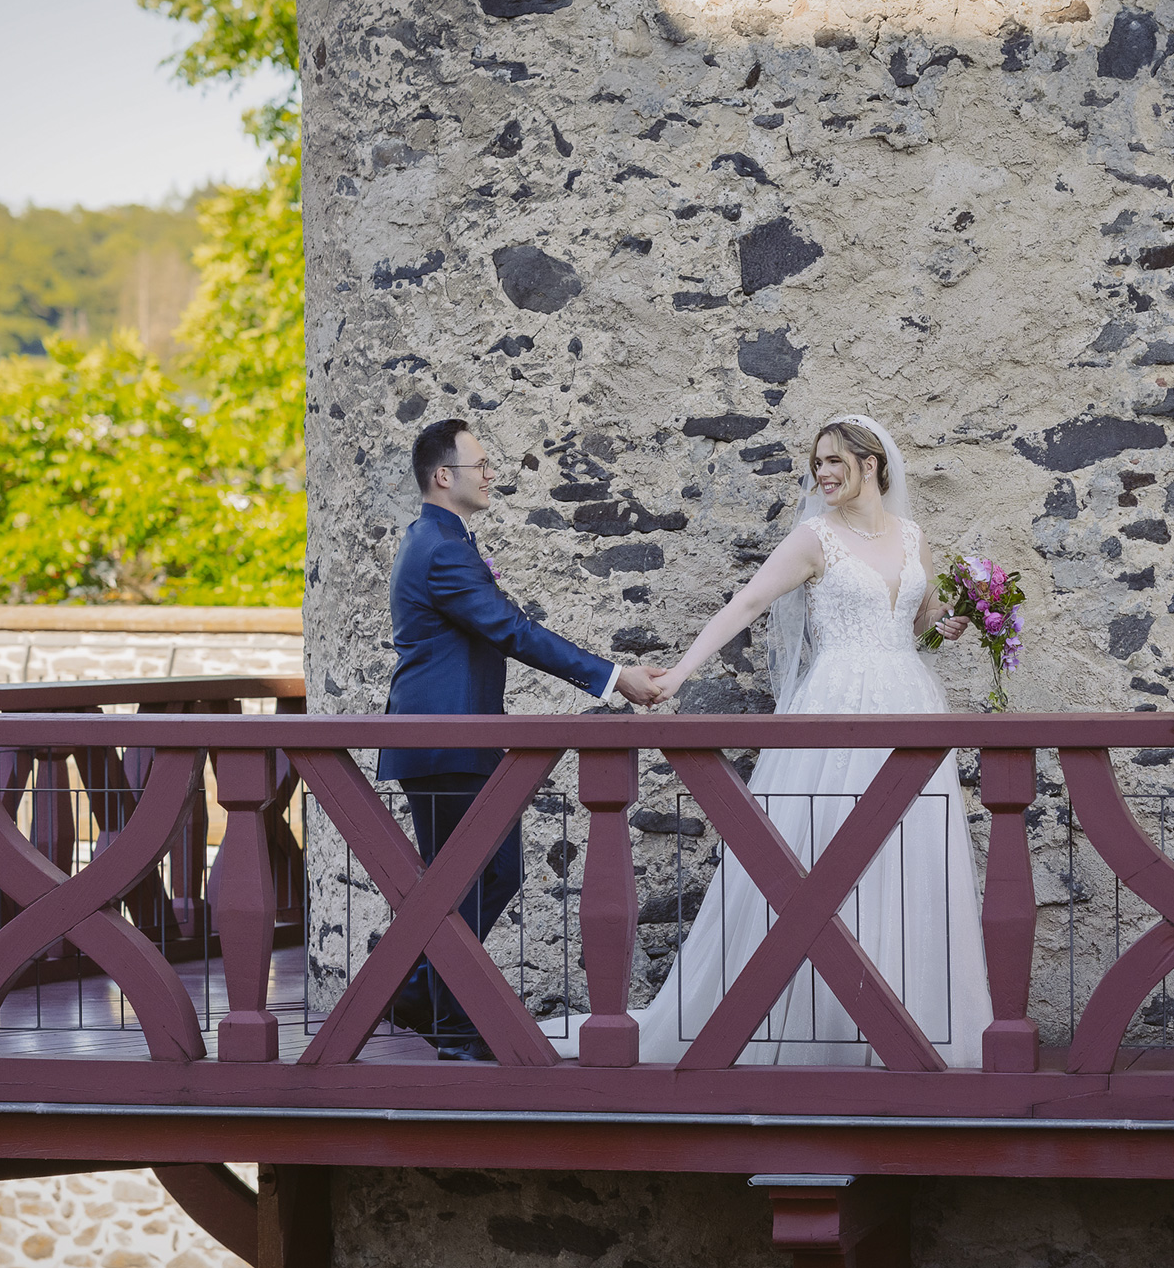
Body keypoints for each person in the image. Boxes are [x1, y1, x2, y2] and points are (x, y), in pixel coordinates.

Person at [544, 414, 992, 1066]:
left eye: (837, 461)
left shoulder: (913, 538)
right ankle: (819, 1028)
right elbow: (748, 604)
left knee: (909, 859)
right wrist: (680, 672)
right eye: (819, 462)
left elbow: (918, 626)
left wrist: (948, 625)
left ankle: (909, 1029)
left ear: (874, 465)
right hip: (839, 706)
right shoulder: (815, 539)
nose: (824, 473)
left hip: (913, 704)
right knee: (830, 859)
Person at [381, 418, 667, 1060]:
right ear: (443, 476)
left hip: (456, 738)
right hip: (444, 741)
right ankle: (448, 1022)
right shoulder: (441, 545)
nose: (490, 474)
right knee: (468, 882)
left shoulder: (438, 538)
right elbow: (511, 630)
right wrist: (613, 677)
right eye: (479, 463)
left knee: (483, 877)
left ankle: (419, 994)